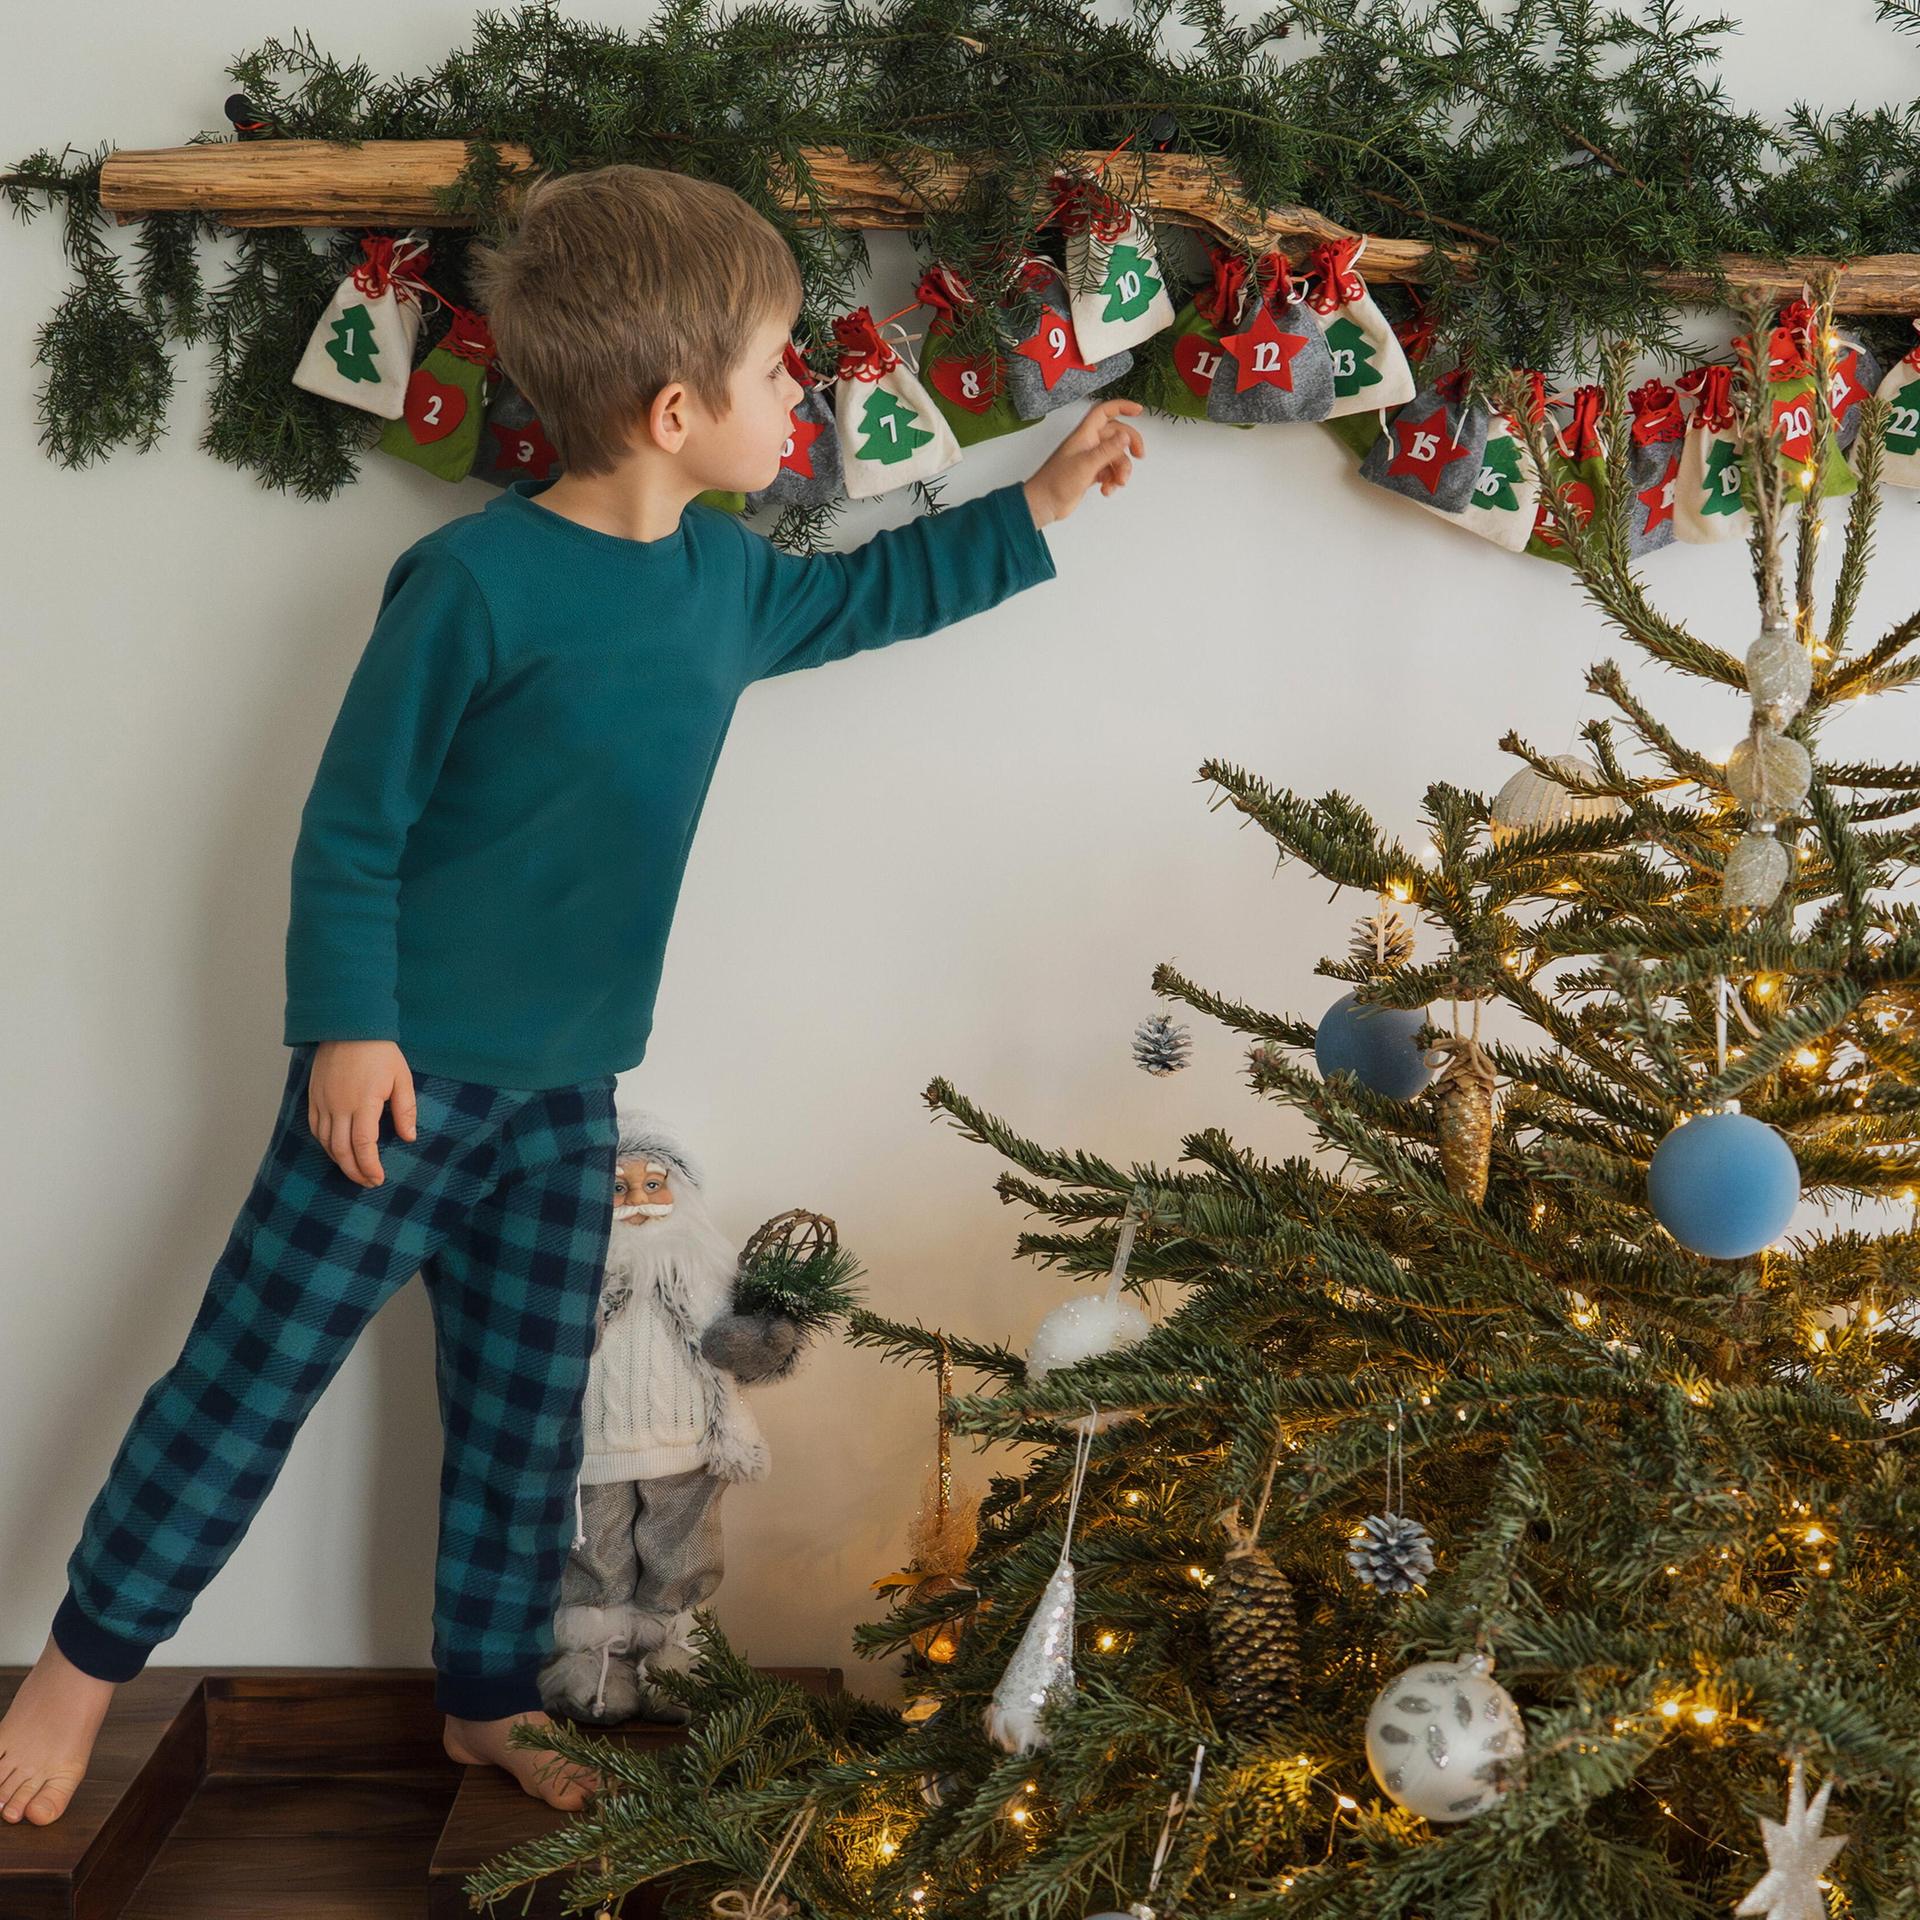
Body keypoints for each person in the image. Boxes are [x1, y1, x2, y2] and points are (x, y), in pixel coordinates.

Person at [0, 162, 1143, 1827]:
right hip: (398, 1083)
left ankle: (486, 1700)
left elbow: (874, 594)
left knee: (527, 1424)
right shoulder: (473, 586)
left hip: (567, 1101)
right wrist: (347, 1026)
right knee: (245, 1387)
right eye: (776, 373)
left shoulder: (726, 581)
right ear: (676, 412)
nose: (802, 399)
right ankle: (77, 1670)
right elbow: (355, 825)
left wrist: (1035, 503)